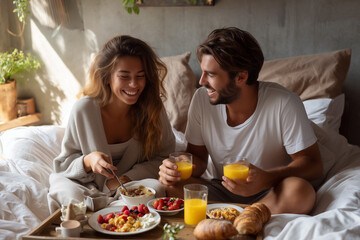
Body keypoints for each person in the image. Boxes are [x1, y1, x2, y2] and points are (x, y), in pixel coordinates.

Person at [158, 27, 323, 214]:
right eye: (203, 72)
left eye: (210, 74)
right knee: (170, 186)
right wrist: (176, 168)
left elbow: (313, 164)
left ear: (241, 76)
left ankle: (240, 215)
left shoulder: (284, 103)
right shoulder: (202, 99)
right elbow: (199, 161)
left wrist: (267, 178)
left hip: (270, 192)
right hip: (222, 189)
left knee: (300, 192)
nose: (202, 81)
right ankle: (244, 216)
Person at [48, 35, 175, 213]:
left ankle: (109, 213)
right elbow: (62, 167)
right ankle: (104, 212)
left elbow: (164, 158)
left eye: (140, 76)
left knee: (157, 188)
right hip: (85, 186)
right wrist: (88, 161)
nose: (134, 84)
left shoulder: (153, 108)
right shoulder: (84, 109)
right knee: (65, 192)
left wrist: (126, 178)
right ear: (107, 77)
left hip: (131, 185)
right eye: (124, 76)